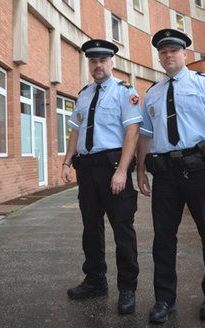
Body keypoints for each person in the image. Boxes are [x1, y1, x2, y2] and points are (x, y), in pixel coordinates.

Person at [136, 29, 205, 324]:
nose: (168, 55)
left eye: (173, 51)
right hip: (165, 174)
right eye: (163, 52)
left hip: (200, 170)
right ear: (159, 56)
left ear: (185, 54)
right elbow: (145, 135)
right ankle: (164, 299)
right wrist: (140, 170)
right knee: (163, 239)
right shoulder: (152, 93)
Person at [61, 39, 141, 315]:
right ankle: (95, 280)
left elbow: (132, 132)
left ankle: (128, 288)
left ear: (112, 62)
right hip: (87, 168)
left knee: (123, 230)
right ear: (89, 64)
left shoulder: (124, 92)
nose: (98, 65)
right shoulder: (83, 94)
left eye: (102, 60)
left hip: (112, 166)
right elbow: (75, 130)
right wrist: (67, 161)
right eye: (93, 61)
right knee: (91, 228)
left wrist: (122, 171)